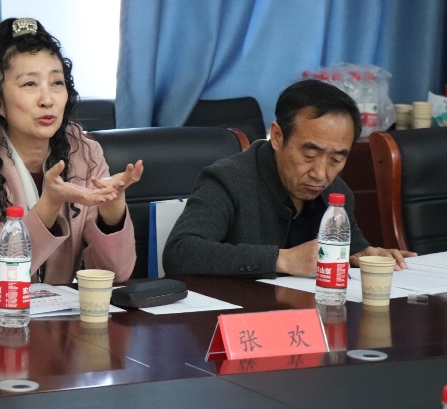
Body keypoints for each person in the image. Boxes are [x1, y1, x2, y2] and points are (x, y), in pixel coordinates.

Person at [0, 18, 143, 290]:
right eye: (30, 84)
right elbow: (3, 274)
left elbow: (115, 275)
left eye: (57, 82)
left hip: (56, 312)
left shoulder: (84, 152)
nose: (47, 99)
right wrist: (50, 203)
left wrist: (111, 213)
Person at [163, 79, 415, 279]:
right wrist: (282, 259)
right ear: (277, 136)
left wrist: (366, 255)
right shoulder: (228, 180)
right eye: (309, 155)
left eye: (336, 160)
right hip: (237, 319)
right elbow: (180, 252)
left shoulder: (337, 194)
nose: (321, 173)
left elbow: (353, 251)